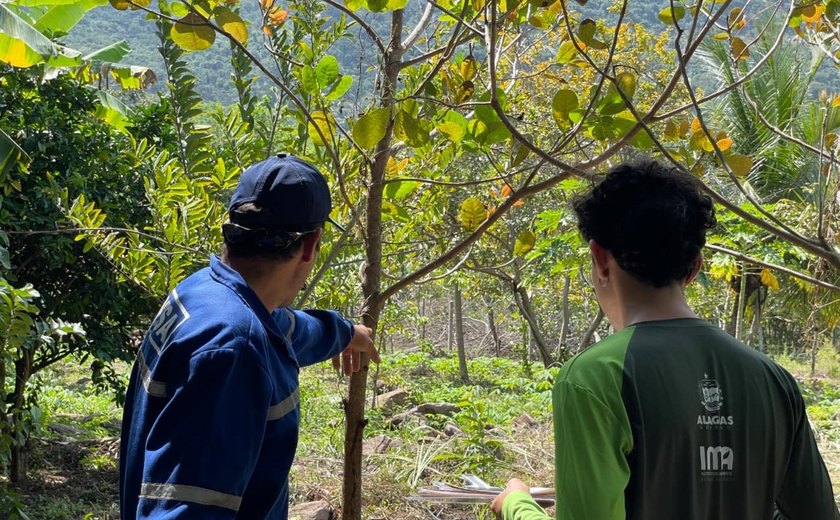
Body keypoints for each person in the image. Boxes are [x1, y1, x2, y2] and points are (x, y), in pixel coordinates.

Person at [490, 160, 839, 519]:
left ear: (600, 260)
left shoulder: (593, 378)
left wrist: (516, 503)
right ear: (695, 266)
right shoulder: (773, 379)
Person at [119, 153, 380, 519]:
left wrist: (343, 332)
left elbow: (283, 330)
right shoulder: (233, 350)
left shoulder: (202, 292)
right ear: (310, 245)